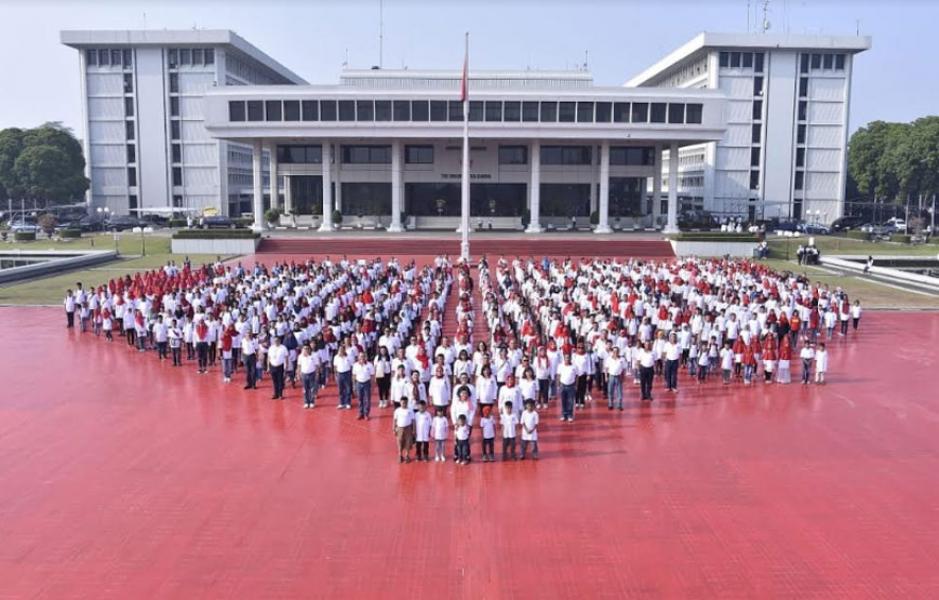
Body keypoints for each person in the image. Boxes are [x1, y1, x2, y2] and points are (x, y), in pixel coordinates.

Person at [352, 352, 374, 420]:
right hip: (359, 383)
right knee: (359, 399)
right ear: (358, 357)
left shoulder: (369, 365)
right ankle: (360, 413)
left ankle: (366, 414)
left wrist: (372, 386)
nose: (362, 358)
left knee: (367, 399)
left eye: (363, 356)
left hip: (367, 383)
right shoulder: (355, 365)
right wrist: (354, 385)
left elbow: (372, 376)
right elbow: (354, 376)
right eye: (360, 356)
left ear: (365, 357)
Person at [392, 397, 415, 464]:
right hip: (400, 428)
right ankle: (400, 455)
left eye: (405, 402)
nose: (404, 404)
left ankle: (407, 455)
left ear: (407, 402)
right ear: (400, 402)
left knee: (408, 442)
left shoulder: (410, 410)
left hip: (408, 428)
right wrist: (393, 429)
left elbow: (413, 421)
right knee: (399, 442)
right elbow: (394, 420)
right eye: (402, 402)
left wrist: (414, 429)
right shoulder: (397, 411)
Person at [298, 344, 320, 409]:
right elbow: (299, 366)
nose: (306, 350)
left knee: (312, 389)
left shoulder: (314, 355)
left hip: (312, 374)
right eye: (304, 348)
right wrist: (298, 374)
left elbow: (317, 365)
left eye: (307, 348)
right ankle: (306, 402)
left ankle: (312, 402)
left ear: (310, 349)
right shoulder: (300, 356)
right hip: (304, 374)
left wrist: (317, 374)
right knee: (305, 389)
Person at [557, 353, 577, 422]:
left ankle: (570, 415)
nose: (567, 359)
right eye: (566, 358)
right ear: (564, 359)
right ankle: (563, 414)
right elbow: (558, 375)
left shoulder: (574, 366)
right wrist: (558, 385)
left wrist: (576, 385)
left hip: (571, 385)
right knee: (563, 401)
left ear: (570, 359)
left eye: (568, 358)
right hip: (563, 385)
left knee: (570, 401)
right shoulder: (560, 366)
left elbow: (577, 376)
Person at [605, 346, 625, 410]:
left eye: (616, 351)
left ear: (618, 352)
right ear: (612, 352)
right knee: (610, 391)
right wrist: (606, 376)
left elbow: (624, 369)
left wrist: (623, 377)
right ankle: (610, 404)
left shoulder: (622, 359)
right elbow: (606, 368)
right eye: (614, 351)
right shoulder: (609, 359)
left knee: (619, 391)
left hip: (619, 376)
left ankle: (619, 405)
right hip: (611, 376)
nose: (615, 353)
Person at [333, 345, 353, 410]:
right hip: (339, 374)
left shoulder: (348, 357)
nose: (341, 351)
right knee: (340, 389)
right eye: (340, 349)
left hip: (347, 373)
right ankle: (342, 403)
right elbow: (335, 367)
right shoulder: (336, 357)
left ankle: (348, 403)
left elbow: (351, 366)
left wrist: (352, 375)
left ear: (344, 350)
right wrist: (335, 374)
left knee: (348, 388)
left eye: (342, 349)